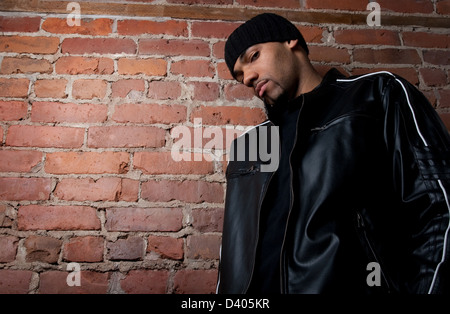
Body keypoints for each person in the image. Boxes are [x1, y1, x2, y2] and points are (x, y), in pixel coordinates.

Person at [216, 13, 450, 294]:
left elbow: (440, 210)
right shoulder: (247, 147)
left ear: (291, 41)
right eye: (239, 75)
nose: (248, 78)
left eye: (253, 57)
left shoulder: (378, 95)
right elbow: (230, 258)